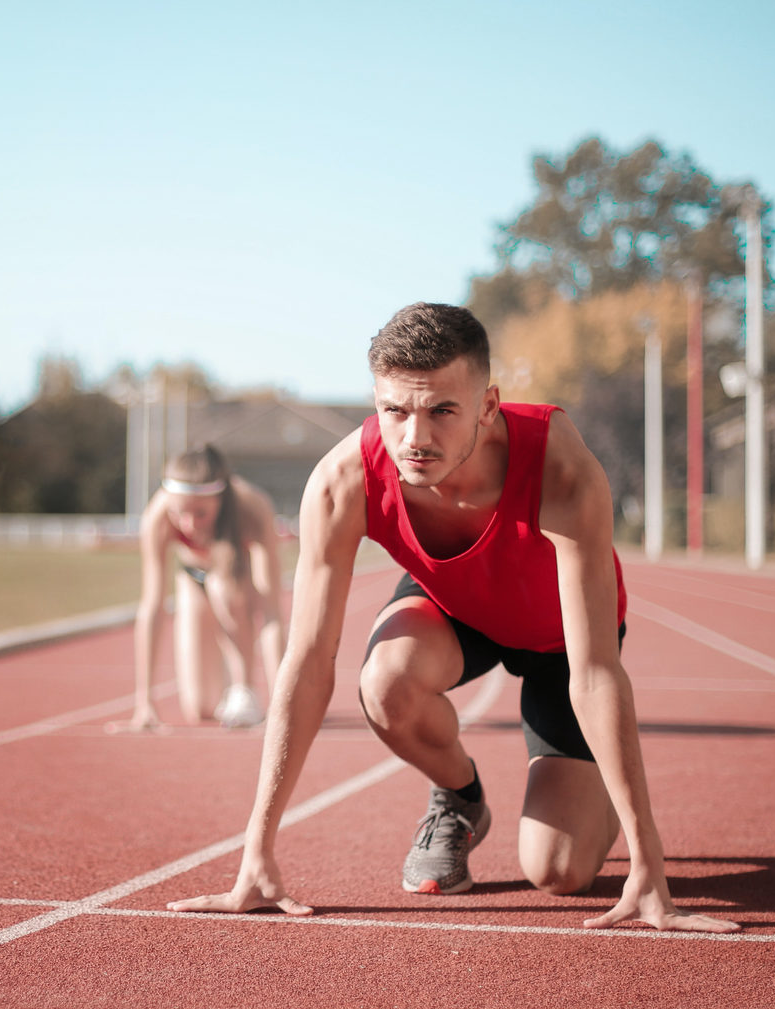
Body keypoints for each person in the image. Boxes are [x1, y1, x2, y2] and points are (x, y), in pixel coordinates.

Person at [167, 303, 737, 933]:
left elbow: (596, 670)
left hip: (559, 641)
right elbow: (306, 662)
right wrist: (257, 853)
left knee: (560, 872)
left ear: (488, 405)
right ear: (376, 401)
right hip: (456, 608)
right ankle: (461, 798)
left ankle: (595, 786)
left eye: (442, 410)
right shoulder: (341, 481)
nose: (415, 438)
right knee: (383, 682)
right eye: (396, 411)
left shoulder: (560, 467)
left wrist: (649, 865)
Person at [118, 445, 286, 731]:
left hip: (236, 580)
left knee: (222, 587)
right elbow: (152, 607)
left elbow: (271, 613)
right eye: (179, 513)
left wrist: (283, 706)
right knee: (201, 709)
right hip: (192, 579)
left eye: (200, 514)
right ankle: (221, 679)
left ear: (220, 501)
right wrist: (144, 702)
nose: (189, 524)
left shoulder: (253, 508)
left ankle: (244, 688)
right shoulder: (157, 517)